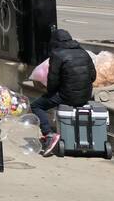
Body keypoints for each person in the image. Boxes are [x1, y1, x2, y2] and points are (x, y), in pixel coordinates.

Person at [32, 29, 96, 157]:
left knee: (36, 105)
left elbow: (53, 80)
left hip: (67, 96)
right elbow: (93, 76)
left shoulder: (57, 54)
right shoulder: (83, 52)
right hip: (85, 95)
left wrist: (49, 93)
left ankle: (49, 134)